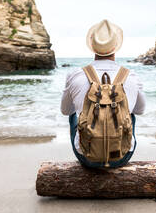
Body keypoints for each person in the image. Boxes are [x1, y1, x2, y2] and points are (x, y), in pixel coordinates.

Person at [60, 19, 146, 168]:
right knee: (130, 114)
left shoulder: (75, 75)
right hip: (121, 157)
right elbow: (141, 110)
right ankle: (118, 146)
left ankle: (88, 145)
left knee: (73, 114)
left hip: (87, 158)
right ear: (116, 46)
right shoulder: (131, 76)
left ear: (92, 46)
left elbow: (65, 110)